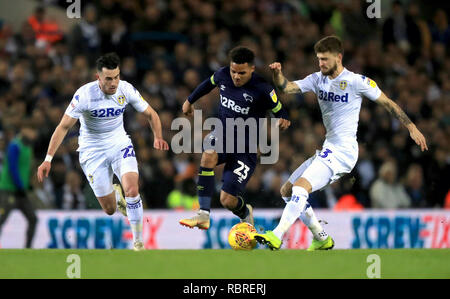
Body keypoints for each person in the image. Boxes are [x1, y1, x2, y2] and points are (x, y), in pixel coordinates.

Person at [254, 36, 428, 250]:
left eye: (325, 59)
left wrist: (411, 127)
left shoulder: (356, 81)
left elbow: (387, 102)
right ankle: (321, 237)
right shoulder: (317, 79)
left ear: (339, 57)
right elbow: (287, 88)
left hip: (344, 151)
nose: (321, 64)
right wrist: (277, 74)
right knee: (287, 191)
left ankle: (277, 235)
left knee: (301, 188)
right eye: (318, 59)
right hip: (329, 149)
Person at [36, 52, 169, 251]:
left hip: (119, 144)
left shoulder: (126, 89)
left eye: (117, 77)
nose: (114, 83)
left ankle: (138, 242)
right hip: (92, 151)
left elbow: (151, 114)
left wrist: (158, 137)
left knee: (132, 190)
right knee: (109, 209)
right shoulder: (84, 95)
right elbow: (63, 127)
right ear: (98, 77)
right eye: (108, 78)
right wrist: (48, 159)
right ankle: (115, 195)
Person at [179, 46, 291, 230]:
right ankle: (203, 214)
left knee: (227, 200)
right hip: (224, 136)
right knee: (208, 155)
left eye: (242, 73)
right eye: (233, 71)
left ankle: (245, 212)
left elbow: (280, 111)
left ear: (252, 69)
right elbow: (208, 84)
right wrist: (189, 100)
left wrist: (283, 120)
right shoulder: (223, 74)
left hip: (247, 149)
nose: (236, 77)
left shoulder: (262, 88)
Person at [0, 122, 38, 248]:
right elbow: (13, 168)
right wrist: (21, 185)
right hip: (8, 190)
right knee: (1, 219)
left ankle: (28, 249)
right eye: (32, 131)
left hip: (20, 191)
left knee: (33, 218)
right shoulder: (15, 145)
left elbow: (25, 169)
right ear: (24, 129)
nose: (34, 135)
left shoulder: (28, 147)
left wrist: (27, 184)